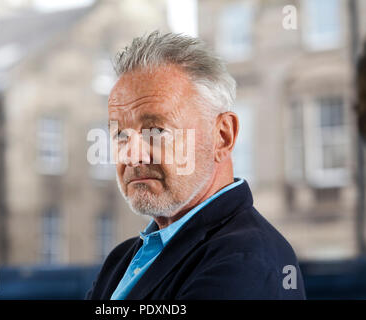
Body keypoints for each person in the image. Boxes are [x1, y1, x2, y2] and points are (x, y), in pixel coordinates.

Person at [86, 31, 306, 300]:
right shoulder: (120, 262)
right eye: (120, 135)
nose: (132, 156)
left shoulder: (245, 262)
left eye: (155, 130)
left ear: (222, 136)